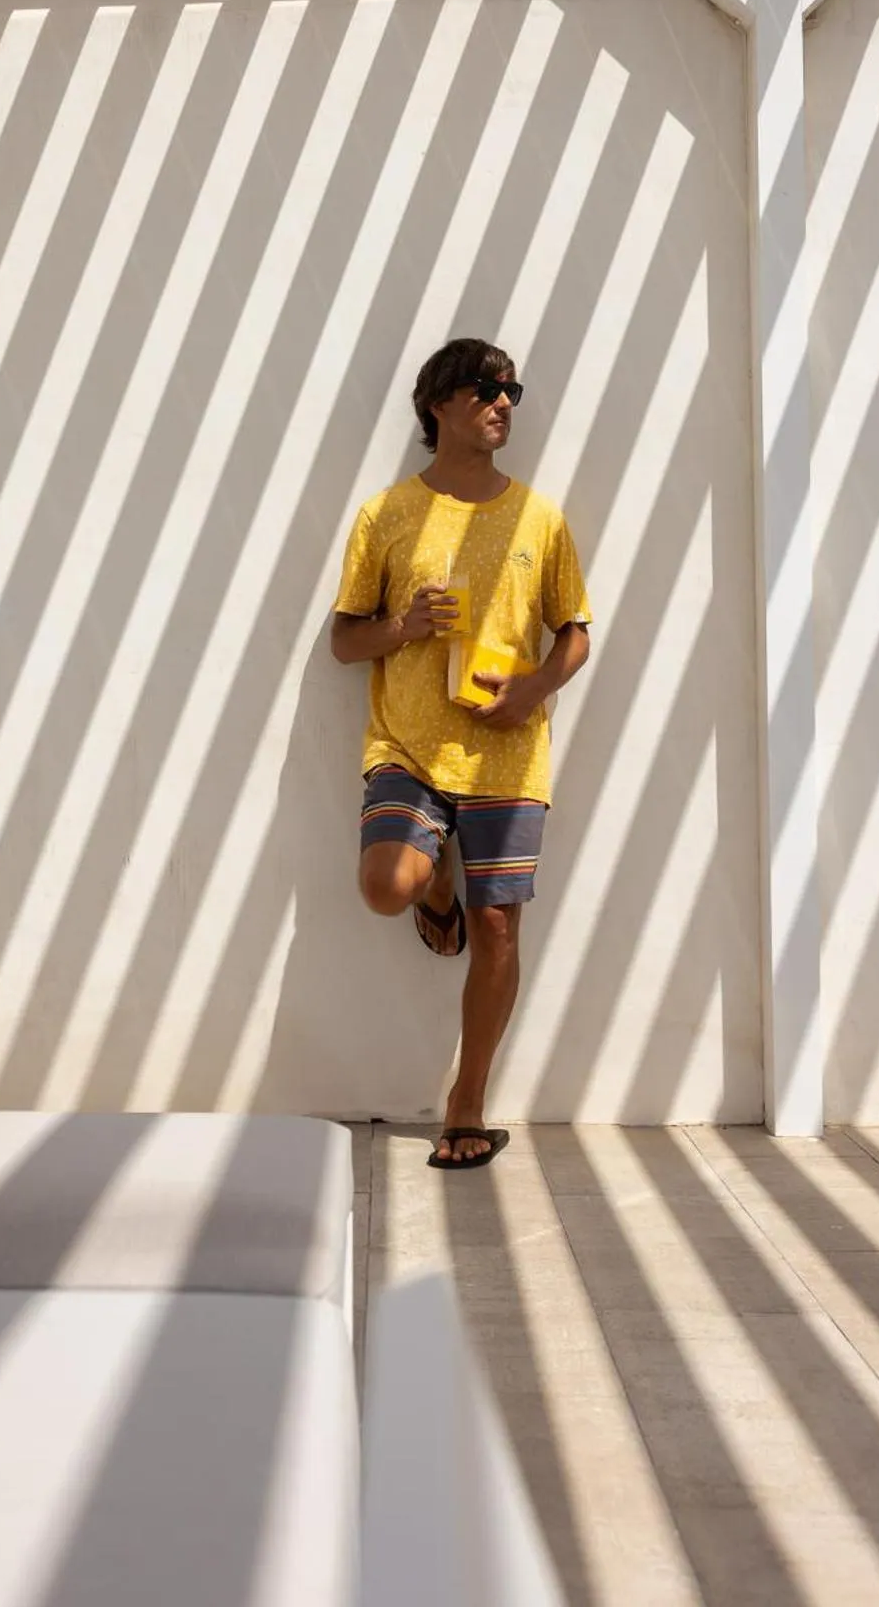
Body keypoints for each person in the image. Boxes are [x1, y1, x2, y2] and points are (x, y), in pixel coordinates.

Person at [330, 338, 592, 1170]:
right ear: (437, 403)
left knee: (497, 927)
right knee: (385, 887)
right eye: (484, 388)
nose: (503, 402)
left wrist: (534, 687)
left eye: (511, 390)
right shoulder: (385, 515)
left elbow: (574, 632)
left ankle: (466, 1102)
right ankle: (433, 880)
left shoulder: (539, 518)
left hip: (506, 755)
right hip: (407, 747)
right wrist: (403, 625)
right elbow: (343, 641)